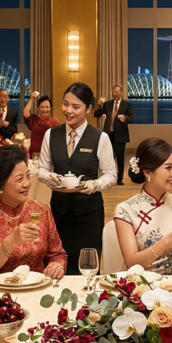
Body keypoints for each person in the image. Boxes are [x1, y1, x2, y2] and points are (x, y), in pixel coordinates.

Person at [36, 82, 117, 273]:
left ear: (89, 109)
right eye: (65, 104)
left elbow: (111, 175)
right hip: (58, 212)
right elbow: (41, 170)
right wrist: (48, 177)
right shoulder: (51, 134)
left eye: (76, 106)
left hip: (89, 214)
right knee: (56, 265)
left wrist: (94, 185)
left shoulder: (100, 138)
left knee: (87, 268)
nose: (68, 111)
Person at [0, 146, 66, 278]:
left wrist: (57, 265)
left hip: (38, 289)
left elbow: (57, 254)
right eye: (19, 179)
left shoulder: (41, 210)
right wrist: (12, 241)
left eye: (28, 176)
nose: (27, 184)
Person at [114, 138, 172, 274]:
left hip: (171, 286)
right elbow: (131, 263)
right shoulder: (125, 210)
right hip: (137, 284)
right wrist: (167, 240)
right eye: (168, 167)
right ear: (147, 172)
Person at [94, 84, 134, 185]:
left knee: (120, 158)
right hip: (108, 135)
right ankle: (108, 178)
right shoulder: (107, 104)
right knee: (108, 158)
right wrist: (100, 105)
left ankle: (119, 179)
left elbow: (131, 119)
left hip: (120, 135)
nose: (114, 94)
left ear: (121, 93)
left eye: (117, 92)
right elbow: (96, 114)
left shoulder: (126, 104)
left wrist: (125, 118)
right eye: (113, 92)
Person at [24, 93, 58, 160]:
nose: (45, 110)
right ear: (38, 108)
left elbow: (56, 139)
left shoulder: (54, 121)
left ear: (50, 108)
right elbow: (25, 113)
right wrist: (31, 99)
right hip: (34, 154)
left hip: (48, 154)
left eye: (47, 107)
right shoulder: (34, 119)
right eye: (42, 107)